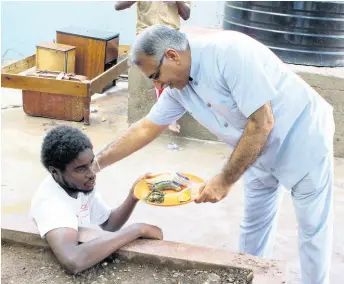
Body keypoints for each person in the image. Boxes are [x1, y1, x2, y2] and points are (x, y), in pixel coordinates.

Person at [93, 25, 335, 284]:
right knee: (254, 223)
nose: (156, 84)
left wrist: (225, 179)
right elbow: (145, 129)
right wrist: (94, 165)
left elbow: (262, 122)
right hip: (253, 149)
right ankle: (247, 277)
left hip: (300, 138)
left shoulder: (229, 54)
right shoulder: (178, 89)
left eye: (155, 75)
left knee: (312, 229)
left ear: (173, 56)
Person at [30, 125, 163, 275]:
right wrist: (138, 229)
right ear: (55, 172)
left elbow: (109, 223)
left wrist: (132, 196)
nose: (92, 173)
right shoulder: (51, 204)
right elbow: (73, 261)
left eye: (91, 163)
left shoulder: (80, 186)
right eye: (81, 169)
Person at [115, 0, 191, 133]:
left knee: (173, 65)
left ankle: (167, 113)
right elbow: (119, 5)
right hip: (146, 33)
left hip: (170, 33)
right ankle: (168, 116)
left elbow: (186, 14)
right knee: (159, 63)